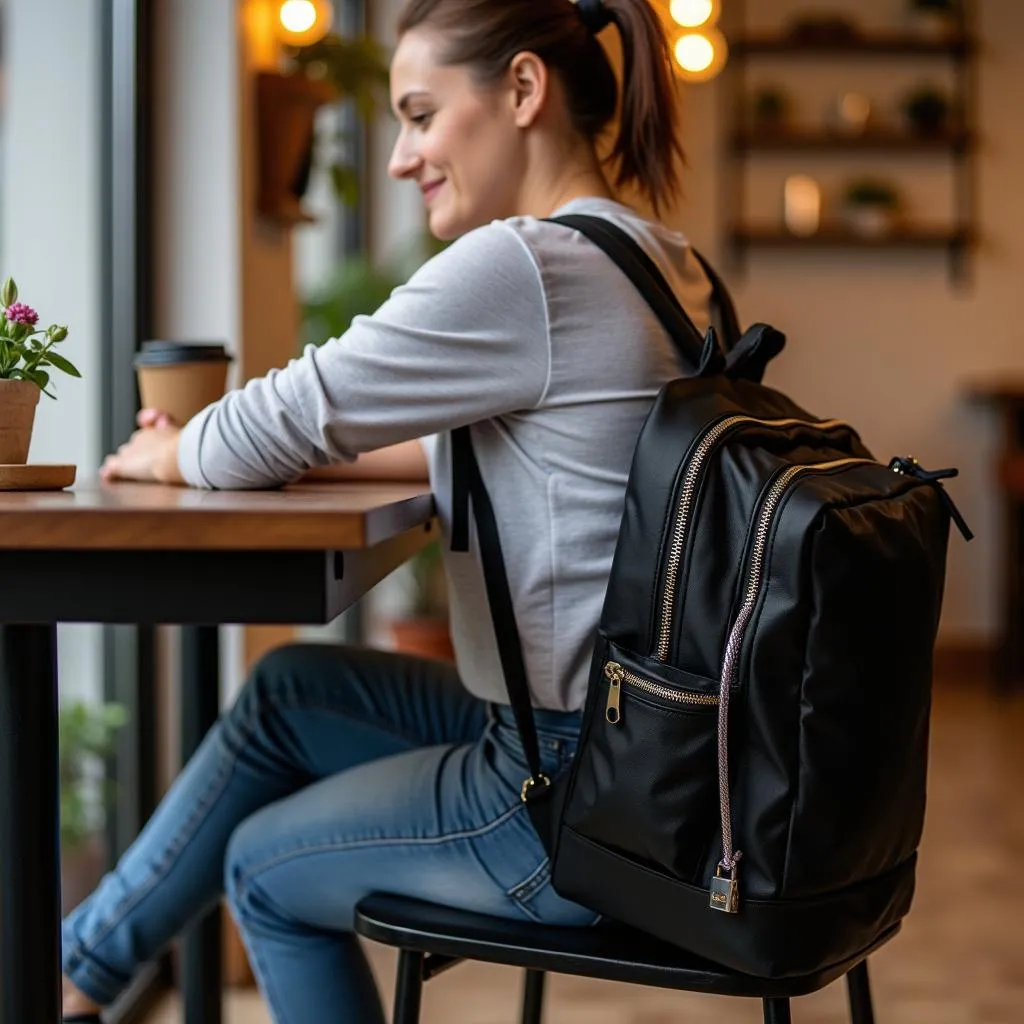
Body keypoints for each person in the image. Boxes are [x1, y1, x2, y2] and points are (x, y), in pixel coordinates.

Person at [62, 0, 712, 1020]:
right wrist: (259, 453)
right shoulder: (662, 263)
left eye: (420, 113)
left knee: (262, 871)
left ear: (524, 91)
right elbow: (493, 445)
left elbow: (277, 417)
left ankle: (66, 976)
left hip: (561, 802)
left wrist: (164, 454)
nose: (404, 155)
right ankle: (77, 972)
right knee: (285, 692)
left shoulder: (526, 265)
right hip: (651, 761)